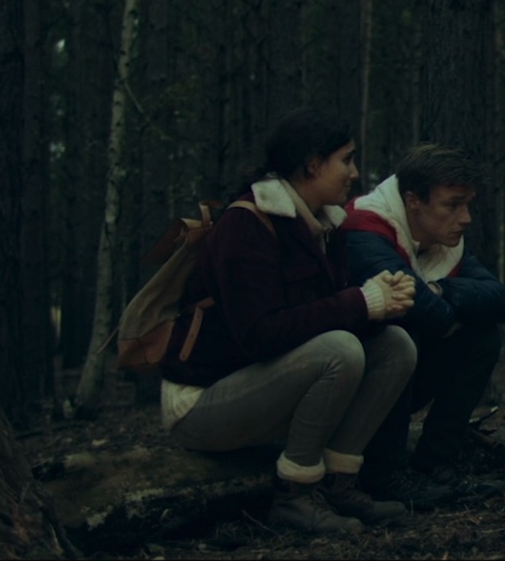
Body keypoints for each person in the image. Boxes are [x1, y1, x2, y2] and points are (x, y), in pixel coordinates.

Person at [159, 108, 419, 535]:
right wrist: (361, 302)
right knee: (340, 350)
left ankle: (338, 483)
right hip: (203, 403)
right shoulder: (247, 223)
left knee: (395, 346)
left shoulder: (324, 225)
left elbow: (318, 319)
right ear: (313, 164)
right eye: (346, 159)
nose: (354, 172)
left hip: (266, 383)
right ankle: (294, 495)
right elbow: (261, 335)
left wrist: (380, 303)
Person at [341, 144, 505, 508]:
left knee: (482, 338)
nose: (466, 218)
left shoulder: (443, 242)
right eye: (453, 205)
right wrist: (442, 309)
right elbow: (419, 309)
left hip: (402, 381)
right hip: (348, 392)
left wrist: (440, 290)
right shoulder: (365, 227)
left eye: (467, 204)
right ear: (413, 200)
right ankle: (383, 473)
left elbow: (498, 298)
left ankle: (436, 463)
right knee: (400, 333)